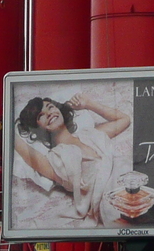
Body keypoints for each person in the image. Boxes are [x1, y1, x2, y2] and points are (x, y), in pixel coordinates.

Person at [12, 93, 135, 223]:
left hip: (132, 181)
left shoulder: (90, 134)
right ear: (37, 128)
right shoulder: (54, 160)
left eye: (50, 107)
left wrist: (88, 103)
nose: (48, 113)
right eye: (40, 116)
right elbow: (22, 148)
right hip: (113, 202)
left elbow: (124, 119)